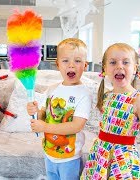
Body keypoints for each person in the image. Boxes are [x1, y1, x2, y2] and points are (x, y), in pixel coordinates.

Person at [80, 43, 140, 179]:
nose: (119, 66)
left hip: (123, 158)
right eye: (113, 62)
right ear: (104, 69)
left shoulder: (138, 99)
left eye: (126, 62)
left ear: (135, 69)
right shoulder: (106, 95)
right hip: (101, 153)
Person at [27, 38, 92, 180]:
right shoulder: (52, 89)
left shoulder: (84, 94)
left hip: (69, 158)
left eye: (77, 61)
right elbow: (45, 114)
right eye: (65, 60)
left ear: (85, 66)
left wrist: (44, 126)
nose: (71, 65)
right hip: (49, 153)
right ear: (57, 64)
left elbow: (76, 126)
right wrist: (36, 112)